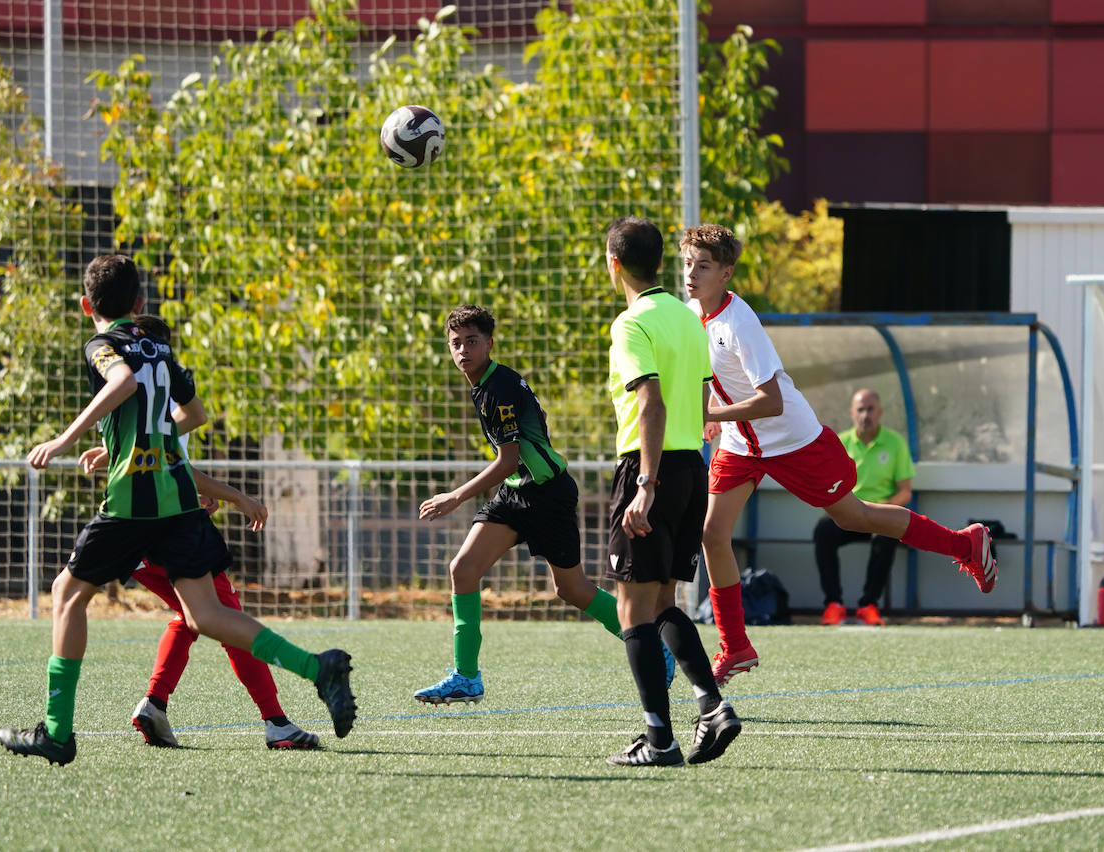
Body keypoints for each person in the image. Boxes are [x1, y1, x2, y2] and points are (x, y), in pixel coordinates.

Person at [0, 254, 355, 765]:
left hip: (132, 504)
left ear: (85, 306)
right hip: (178, 502)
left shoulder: (103, 343)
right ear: (140, 303)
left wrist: (64, 438)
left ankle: (57, 731)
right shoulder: (160, 346)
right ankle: (317, 667)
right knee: (206, 615)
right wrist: (136, 441)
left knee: (66, 593)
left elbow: (121, 384)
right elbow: (194, 414)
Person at [680, 224, 997, 687]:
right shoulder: (692, 314)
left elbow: (772, 401)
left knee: (853, 517)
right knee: (712, 534)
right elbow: (711, 377)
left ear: (726, 273)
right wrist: (716, 417)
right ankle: (736, 645)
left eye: (703, 266)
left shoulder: (740, 322)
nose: (692, 273)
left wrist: (713, 409)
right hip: (739, 444)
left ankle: (966, 543)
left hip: (792, 439)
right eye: (688, 263)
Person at [75, 314, 320, 750]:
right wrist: (237, 497)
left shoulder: (141, 408)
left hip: (143, 536)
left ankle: (154, 704)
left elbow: (170, 468)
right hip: (163, 533)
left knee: (190, 619)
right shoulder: (155, 398)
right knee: (226, 620)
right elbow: (182, 470)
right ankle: (278, 722)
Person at [413, 305, 671, 705]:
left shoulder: (497, 388)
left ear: (489, 344)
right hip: (518, 492)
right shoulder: (488, 383)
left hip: (547, 494)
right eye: (456, 343)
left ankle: (655, 648)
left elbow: (509, 459)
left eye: (472, 341)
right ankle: (466, 677)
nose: (463, 350)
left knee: (572, 589)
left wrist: (455, 496)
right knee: (462, 569)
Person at [602, 216, 740, 767]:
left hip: (650, 468)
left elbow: (650, 403)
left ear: (614, 265)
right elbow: (704, 397)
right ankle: (712, 706)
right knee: (663, 603)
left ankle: (659, 739)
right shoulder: (687, 318)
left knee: (632, 611)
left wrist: (644, 485)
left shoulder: (631, 324)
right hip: (691, 469)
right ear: (660, 263)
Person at [813, 389, 915, 627]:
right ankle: (833, 605)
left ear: (880, 412)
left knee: (888, 535)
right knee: (823, 530)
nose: (865, 415)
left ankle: (868, 606)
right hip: (848, 514)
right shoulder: (840, 442)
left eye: (870, 409)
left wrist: (883, 511)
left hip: (879, 515)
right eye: (860, 409)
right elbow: (827, 485)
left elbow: (905, 492)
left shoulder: (895, 443)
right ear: (852, 413)